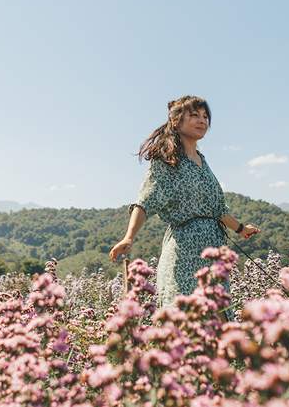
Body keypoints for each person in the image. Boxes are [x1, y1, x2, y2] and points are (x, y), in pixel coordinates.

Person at [109, 95, 261, 310]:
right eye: (194, 115)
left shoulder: (203, 161)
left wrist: (241, 229)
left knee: (218, 317)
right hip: (184, 251)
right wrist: (128, 237)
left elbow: (217, 209)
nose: (202, 121)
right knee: (185, 318)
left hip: (215, 251)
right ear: (176, 121)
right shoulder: (167, 161)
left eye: (205, 116)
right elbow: (145, 201)